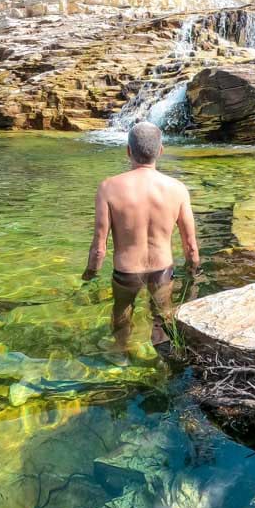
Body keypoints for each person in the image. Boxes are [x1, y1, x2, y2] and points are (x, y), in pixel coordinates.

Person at [82, 122, 201, 356]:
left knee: (121, 315)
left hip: (126, 272)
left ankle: (120, 356)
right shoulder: (177, 189)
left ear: (128, 151)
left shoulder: (108, 187)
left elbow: (99, 248)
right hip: (162, 270)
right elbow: (191, 246)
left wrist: (90, 275)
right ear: (161, 151)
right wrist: (193, 272)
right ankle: (163, 364)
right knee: (162, 320)